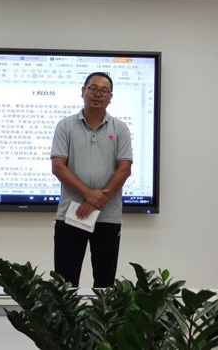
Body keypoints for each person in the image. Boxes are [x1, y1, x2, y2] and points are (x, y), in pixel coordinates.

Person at [51, 72, 132, 288]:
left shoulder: (120, 128)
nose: (98, 94)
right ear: (83, 91)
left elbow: (124, 169)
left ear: (110, 97)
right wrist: (89, 195)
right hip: (72, 214)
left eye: (104, 91)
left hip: (108, 216)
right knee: (65, 284)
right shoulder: (65, 126)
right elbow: (58, 166)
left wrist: (96, 202)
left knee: (105, 284)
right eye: (93, 88)